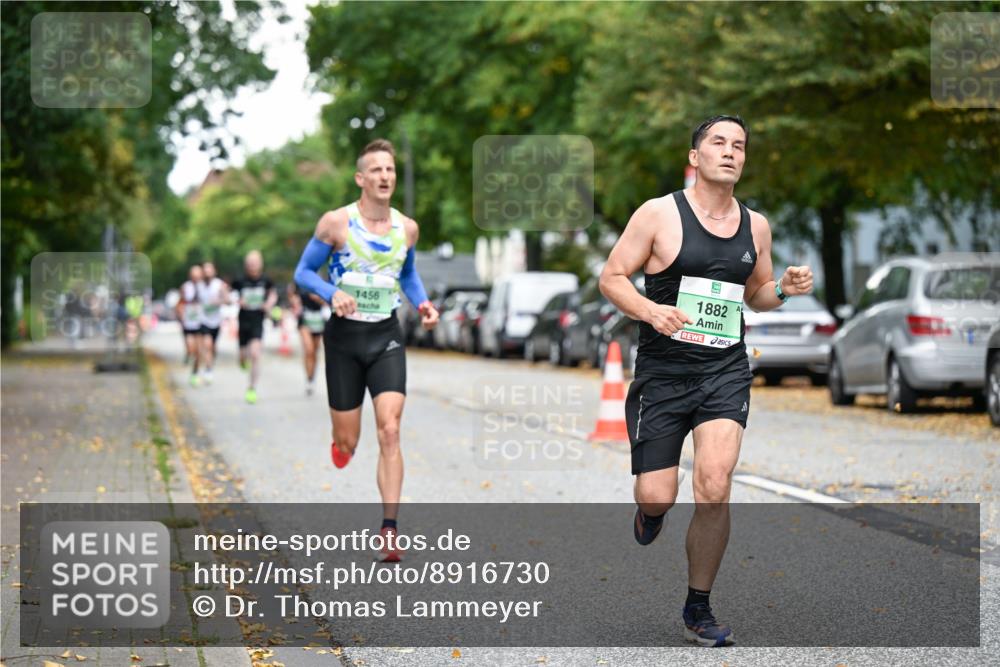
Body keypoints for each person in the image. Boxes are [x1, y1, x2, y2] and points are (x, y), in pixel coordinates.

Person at [599, 115, 814, 647]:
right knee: (657, 495)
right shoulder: (658, 214)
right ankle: (650, 514)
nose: (730, 151)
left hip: (723, 370)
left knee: (715, 486)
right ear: (695, 157)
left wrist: (783, 289)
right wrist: (651, 311)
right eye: (718, 142)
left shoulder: (755, 226)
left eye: (739, 145)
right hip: (664, 374)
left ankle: (699, 607)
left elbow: (756, 294)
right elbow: (611, 277)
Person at [294, 138, 439, 562]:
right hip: (343, 339)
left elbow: (408, 275)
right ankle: (342, 444)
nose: (385, 176)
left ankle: (389, 530)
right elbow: (303, 272)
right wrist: (330, 292)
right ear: (361, 178)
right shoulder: (335, 224)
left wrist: (425, 304)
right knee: (350, 440)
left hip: (385, 336)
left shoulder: (406, 229)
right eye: (376, 170)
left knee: (390, 429)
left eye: (390, 170)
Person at [231, 250, 277, 404]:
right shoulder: (239, 281)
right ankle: (242, 360)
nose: (253, 266)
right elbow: (229, 294)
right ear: (246, 265)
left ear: (261, 264)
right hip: (243, 322)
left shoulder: (266, 280)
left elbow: (272, 294)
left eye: (255, 262)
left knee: (256, 354)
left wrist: (269, 303)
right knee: (244, 356)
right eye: (250, 263)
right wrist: (238, 300)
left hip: (258, 321)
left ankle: (251, 388)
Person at [288, 283, 329, 396]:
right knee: (308, 350)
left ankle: (311, 378)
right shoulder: (299, 281)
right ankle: (308, 379)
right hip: (305, 320)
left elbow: (328, 300)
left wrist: (319, 298)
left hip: (318, 320)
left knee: (314, 353)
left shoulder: (320, 283)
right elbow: (292, 295)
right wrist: (294, 301)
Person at [197, 261, 228, 384]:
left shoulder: (219, 285)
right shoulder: (199, 286)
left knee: (213, 347)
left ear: (214, 271)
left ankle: (210, 363)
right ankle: (208, 370)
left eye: (209, 270)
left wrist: (219, 300)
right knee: (207, 345)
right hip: (203, 320)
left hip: (216, 321)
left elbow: (227, 300)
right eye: (205, 270)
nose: (207, 272)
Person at [177, 265, 205, 386]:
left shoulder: (205, 288)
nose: (196, 278)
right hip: (188, 323)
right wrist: (181, 315)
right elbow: (180, 303)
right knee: (191, 347)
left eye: (198, 276)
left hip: (201, 322)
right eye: (194, 276)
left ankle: (195, 372)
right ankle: (188, 354)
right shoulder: (185, 287)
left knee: (198, 351)